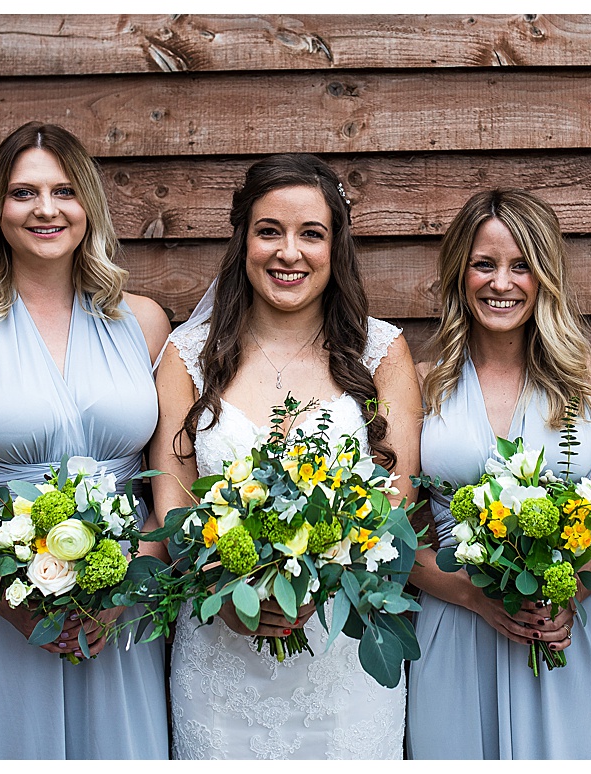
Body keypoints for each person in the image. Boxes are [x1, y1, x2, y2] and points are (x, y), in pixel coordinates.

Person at [0, 121, 172, 759]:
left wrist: (125, 593)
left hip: (116, 615)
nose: (46, 209)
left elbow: (169, 496)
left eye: (65, 191)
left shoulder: (145, 323)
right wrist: (3, 599)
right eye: (24, 193)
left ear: (88, 207)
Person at [149, 153, 422, 759]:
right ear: (242, 239)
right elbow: (173, 508)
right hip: (222, 652)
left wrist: (326, 567)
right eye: (269, 231)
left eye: (311, 234)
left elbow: (396, 502)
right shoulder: (187, 355)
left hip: (341, 656)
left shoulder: (382, 354)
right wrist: (229, 590)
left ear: (336, 245)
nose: (288, 252)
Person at [403, 190, 591, 759]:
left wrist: (564, 591)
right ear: (460, 273)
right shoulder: (421, 384)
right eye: (484, 264)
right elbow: (392, 532)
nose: (501, 283)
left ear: (545, 276)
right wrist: (475, 596)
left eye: (521, 265)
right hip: (455, 622)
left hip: (562, 628)